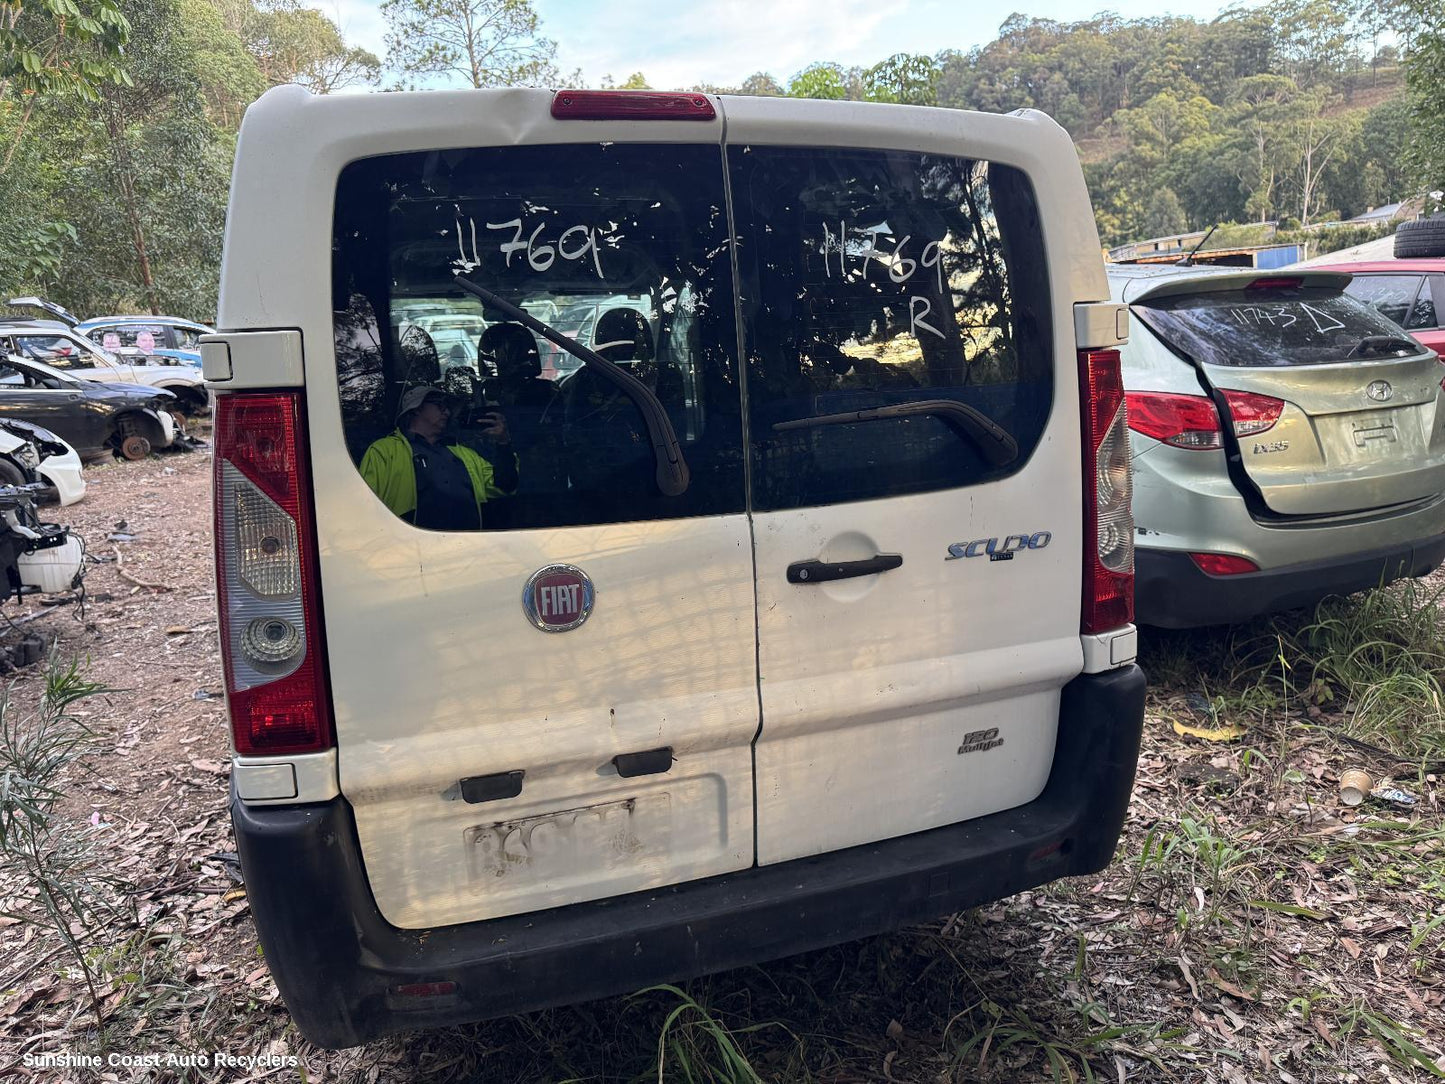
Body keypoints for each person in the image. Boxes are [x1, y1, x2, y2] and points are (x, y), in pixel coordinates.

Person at [360, 385, 517, 530]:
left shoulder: (465, 455)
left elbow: (504, 486)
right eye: (440, 405)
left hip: (469, 550)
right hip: (409, 551)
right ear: (416, 408)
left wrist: (503, 444)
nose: (447, 412)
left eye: (448, 408)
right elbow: (364, 508)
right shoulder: (384, 451)